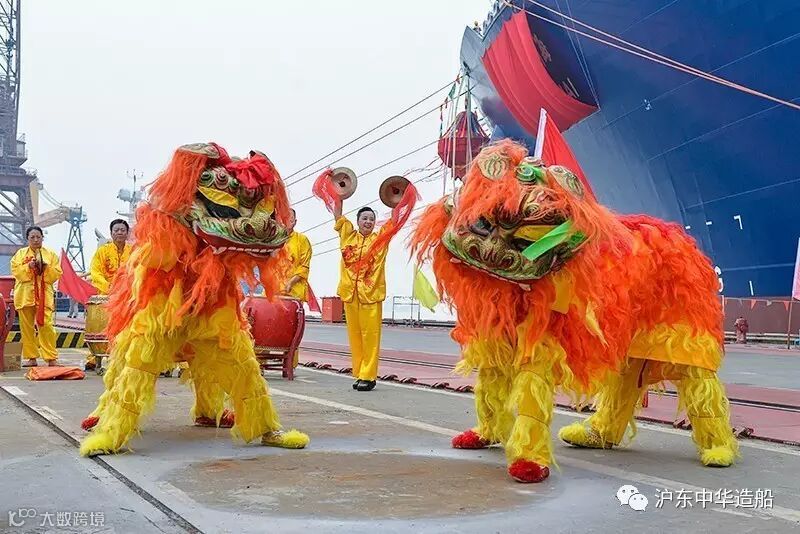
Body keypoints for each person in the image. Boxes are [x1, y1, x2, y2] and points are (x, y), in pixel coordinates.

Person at [333, 203, 394, 392]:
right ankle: (359, 373)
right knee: (355, 336)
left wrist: (397, 200)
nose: (368, 221)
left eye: (371, 219)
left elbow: (394, 221)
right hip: (350, 294)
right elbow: (338, 216)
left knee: (370, 336)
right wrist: (339, 195)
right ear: (358, 221)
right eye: (365, 218)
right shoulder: (348, 236)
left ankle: (368, 376)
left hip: (370, 294)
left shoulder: (379, 240)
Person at [10, 226, 63, 367]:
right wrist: (28, 267)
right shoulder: (20, 254)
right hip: (24, 296)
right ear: (27, 238)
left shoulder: (50, 255)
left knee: (47, 326)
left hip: (44, 296)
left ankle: (51, 358)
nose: (35, 240)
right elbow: (16, 272)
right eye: (32, 237)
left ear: (42, 238)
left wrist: (46, 268)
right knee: (27, 328)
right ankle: (31, 358)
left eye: (38, 237)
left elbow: (56, 274)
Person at [85, 219, 132, 370]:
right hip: (106, 296)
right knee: (102, 329)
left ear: (127, 233)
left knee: (126, 329)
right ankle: (94, 358)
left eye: (122, 230)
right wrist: (108, 287)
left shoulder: (133, 251)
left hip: (127, 296)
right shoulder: (102, 251)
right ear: (111, 233)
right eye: (116, 230)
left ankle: (125, 357)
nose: (119, 233)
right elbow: (95, 272)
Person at [279, 208, 312, 368]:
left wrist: (290, 283)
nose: (286, 220)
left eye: (290, 218)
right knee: (267, 323)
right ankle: (263, 360)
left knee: (292, 328)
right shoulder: (273, 239)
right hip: (273, 290)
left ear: (295, 222)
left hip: (294, 291)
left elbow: (304, 267)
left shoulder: (302, 240)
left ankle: (290, 362)